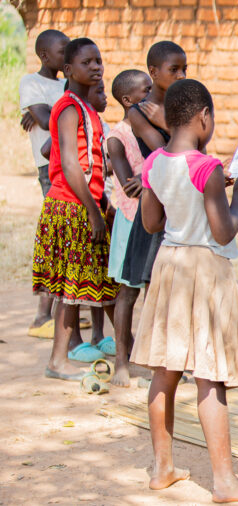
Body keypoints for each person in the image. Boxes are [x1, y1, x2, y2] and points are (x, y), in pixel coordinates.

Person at [130, 79, 238, 503]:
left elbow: (152, 224)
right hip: (206, 270)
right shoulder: (208, 169)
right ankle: (226, 482)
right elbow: (224, 229)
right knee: (211, 376)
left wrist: (202, 199)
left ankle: (162, 469)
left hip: (170, 265)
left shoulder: (154, 161)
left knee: (165, 370)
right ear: (203, 117)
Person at [33, 38, 119, 381]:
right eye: (87, 62)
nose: (96, 67)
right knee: (70, 288)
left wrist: (103, 205)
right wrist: (94, 212)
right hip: (70, 207)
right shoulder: (68, 107)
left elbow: (92, 166)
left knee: (78, 286)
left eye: (99, 60)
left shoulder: (88, 111)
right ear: (68, 70)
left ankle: (62, 357)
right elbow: (69, 163)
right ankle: (58, 360)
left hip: (82, 205)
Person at [122, 41, 186, 288]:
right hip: (157, 201)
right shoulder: (138, 111)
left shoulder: (181, 106)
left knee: (178, 280)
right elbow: (163, 150)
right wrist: (169, 124)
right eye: (174, 69)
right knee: (153, 280)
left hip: (182, 199)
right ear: (153, 71)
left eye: (184, 69)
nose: (181, 75)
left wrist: (165, 119)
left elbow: (200, 148)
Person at [21, 29, 69, 339]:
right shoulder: (32, 82)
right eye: (62, 51)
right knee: (58, 237)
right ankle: (43, 315)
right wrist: (49, 116)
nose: (67, 56)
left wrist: (47, 116)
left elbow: (47, 116)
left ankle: (63, 311)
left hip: (74, 166)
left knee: (69, 237)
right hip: (50, 169)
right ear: (44, 55)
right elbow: (43, 114)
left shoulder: (69, 85)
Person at [105, 69, 152, 387]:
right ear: (127, 100)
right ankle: (122, 361)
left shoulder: (152, 132)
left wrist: (145, 177)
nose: (150, 98)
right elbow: (129, 186)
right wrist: (151, 177)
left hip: (153, 219)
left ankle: (152, 361)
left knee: (154, 291)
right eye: (145, 92)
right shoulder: (117, 137)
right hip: (129, 218)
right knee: (127, 293)